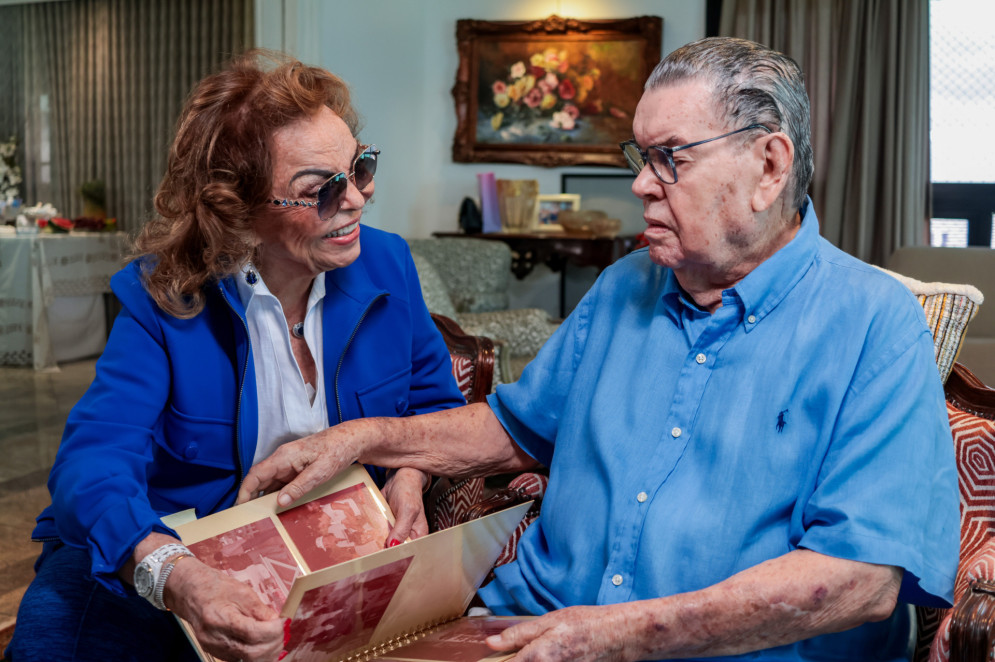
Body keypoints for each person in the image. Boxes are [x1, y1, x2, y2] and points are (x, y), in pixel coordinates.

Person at [240, 37, 960, 661]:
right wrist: (368, 438)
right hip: (523, 633)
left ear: (768, 167)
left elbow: (862, 580)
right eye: (639, 157)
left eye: (669, 158)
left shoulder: (873, 322)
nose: (641, 185)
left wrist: (622, 634)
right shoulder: (625, 286)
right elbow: (512, 428)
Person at [7, 51, 465, 662]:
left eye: (361, 169)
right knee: (49, 643)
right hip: (177, 551)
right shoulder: (163, 297)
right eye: (321, 189)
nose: (355, 199)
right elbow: (91, 466)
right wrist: (180, 577)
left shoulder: (387, 264)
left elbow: (437, 406)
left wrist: (410, 475)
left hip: (333, 552)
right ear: (238, 207)